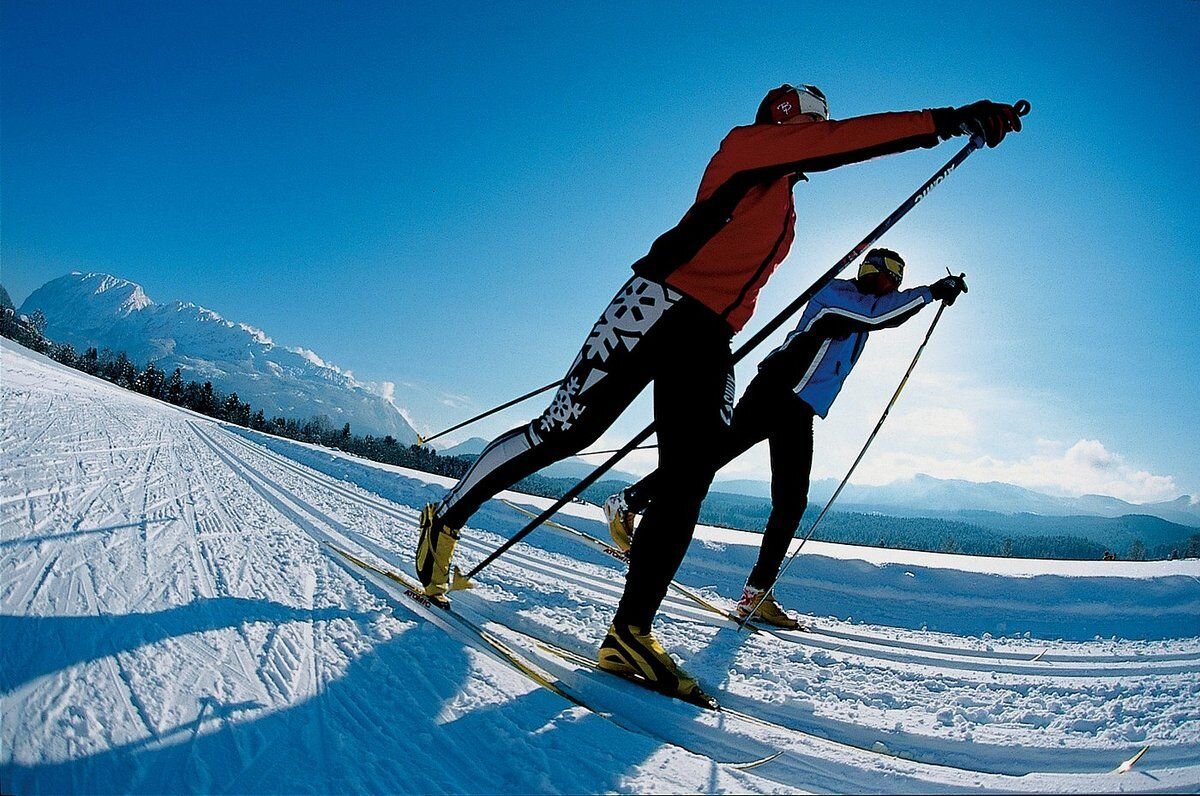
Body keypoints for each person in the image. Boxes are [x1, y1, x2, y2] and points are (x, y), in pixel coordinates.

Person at [417, 84, 1022, 700]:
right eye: (812, 121)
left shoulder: (784, 197)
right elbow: (837, 144)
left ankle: (629, 631)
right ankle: (446, 517)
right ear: (787, 120)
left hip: (709, 337)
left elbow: (821, 161)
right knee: (568, 430)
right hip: (656, 303)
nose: (819, 129)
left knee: (692, 469)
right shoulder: (747, 146)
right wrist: (946, 121)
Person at [604, 248, 967, 630]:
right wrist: (930, 292)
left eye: (892, 283)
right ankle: (627, 502)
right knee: (711, 460)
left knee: (790, 501)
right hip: (776, 392)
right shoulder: (837, 295)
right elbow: (878, 316)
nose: (885, 288)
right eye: (880, 279)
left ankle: (756, 594)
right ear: (865, 272)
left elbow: (884, 310)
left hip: (799, 408)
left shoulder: (866, 304)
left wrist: (928, 294)